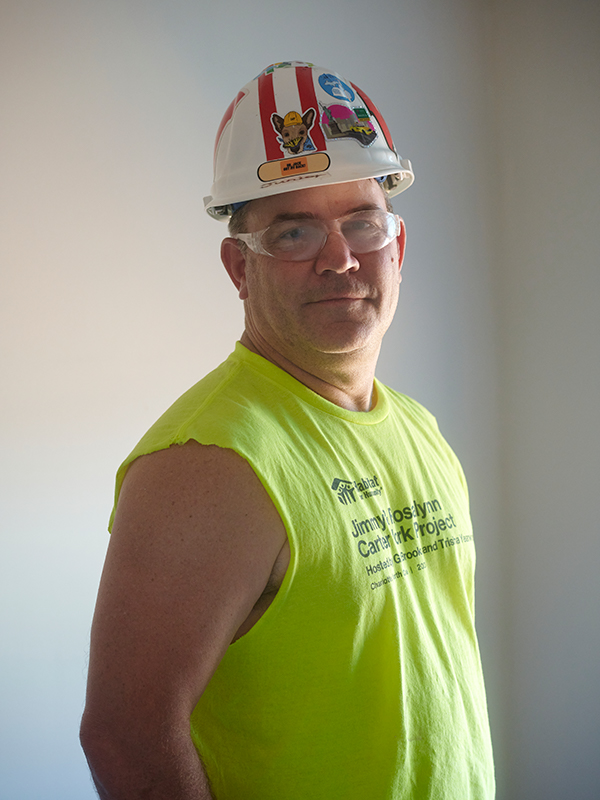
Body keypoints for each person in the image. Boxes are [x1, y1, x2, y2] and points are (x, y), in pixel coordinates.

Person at [80, 61, 495, 799]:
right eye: (295, 231)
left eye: (361, 222)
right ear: (239, 267)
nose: (340, 258)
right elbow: (125, 735)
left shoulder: (420, 429)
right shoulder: (211, 463)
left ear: (397, 247)